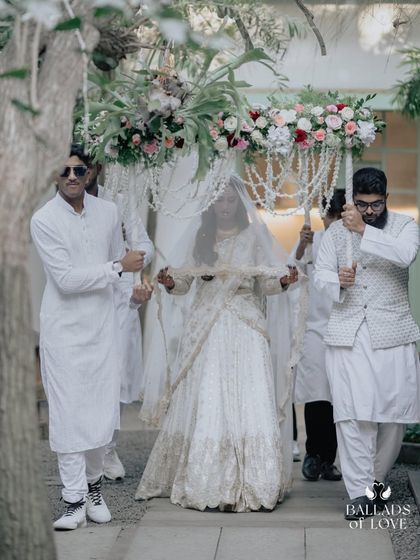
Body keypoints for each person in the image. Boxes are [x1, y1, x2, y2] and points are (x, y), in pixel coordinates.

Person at [135, 176, 298, 512]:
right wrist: (168, 282)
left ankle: (256, 479)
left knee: (249, 394)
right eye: (220, 200)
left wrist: (282, 279)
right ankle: (207, 479)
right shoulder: (201, 235)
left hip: (245, 322)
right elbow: (182, 281)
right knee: (210, 393)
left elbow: (267, 280)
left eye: (231, 200)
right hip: (206, 326)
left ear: (240, 203)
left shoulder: (254, 235)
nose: (225, 207)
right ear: (211, 204)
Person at [31, 145, 146, 531]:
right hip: (64, 329)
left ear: (91, 172)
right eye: (64, 171)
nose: (72, 177)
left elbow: (120, 276)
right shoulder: (43, 219)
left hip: (102, 328)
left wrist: (130, 301)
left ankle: (94, 489)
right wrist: (117, 267)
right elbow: (65, 280)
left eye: (79, 170)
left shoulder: (109, 213)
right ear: (53, 174)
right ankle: (73, 501)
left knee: (100, 413)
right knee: (67, 414)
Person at [314, 167, 420, 520]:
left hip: (392, 332)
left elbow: (406, 256)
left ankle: (376, 482)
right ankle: (359, 491)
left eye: (376, 205)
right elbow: (320, 275)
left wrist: (363, 230)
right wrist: (338, 281)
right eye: (362, 205)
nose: (370, 211)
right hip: (347, 332)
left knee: (392, 414)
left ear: (387, 199)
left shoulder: (405, 226)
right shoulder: (334, 233)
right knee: (350, 413)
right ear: (351, 201)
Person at [85, 163, 154, 480]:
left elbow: (146, 247)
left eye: (84, 168)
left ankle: (108, 450)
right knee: (87, 377)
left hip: (120, 299)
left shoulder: (119, 202)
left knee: (116, 376)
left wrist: (133, 253)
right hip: (85, 297)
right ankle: (85, 448)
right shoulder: (62, 208)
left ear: (97, 168)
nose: (78, 176)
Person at [293, 191, 345, 483]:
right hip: (315, 329)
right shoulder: (314, 241)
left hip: (343, 328)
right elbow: (293, 269)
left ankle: (330, 459)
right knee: (316, 395)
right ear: (323, 216)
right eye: (329, 216)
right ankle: (312, 455)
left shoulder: (353, 243)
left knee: (340, 397)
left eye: (339, 216)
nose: (333, 222)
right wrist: (301, 245)